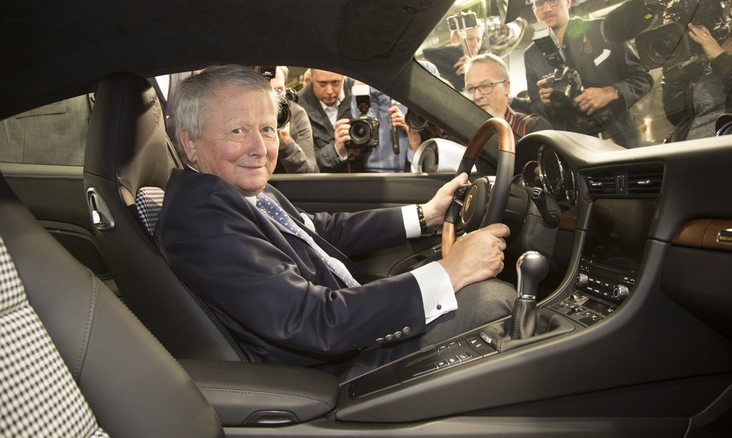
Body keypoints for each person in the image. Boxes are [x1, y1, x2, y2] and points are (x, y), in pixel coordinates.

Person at [155, 65, 516, 381]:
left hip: (348, 335)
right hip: (338, 371)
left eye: (266, 129)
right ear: (190, 142)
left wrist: (426, 215)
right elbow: (314, 322)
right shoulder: (202, 220)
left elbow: (319, 230)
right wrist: (451, 271)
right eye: (237, 131)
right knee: (494, 301)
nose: (260, 149)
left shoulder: (230, 190)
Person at [524, 0, 654, 148]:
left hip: (620, 139)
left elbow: (643, 79)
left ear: (568, 0)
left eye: (552, 0)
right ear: (534, 10)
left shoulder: (603, 30)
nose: (546, 9)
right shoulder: (531, 55)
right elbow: (535, 106)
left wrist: (611, 92)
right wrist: (545, 102)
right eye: (539, 4)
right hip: (573, 146)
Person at [661, 0, 732, 142]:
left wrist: (719, 57)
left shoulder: (714, 47)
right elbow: (677, 116)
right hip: (689, 151)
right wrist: (673, 66)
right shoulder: (716, 38)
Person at [465, 54, 552, 136]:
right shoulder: (463, 130)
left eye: (485, 86)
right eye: (471, 89)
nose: (477, 96)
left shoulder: (532, 127)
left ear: (506, 87)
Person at [297, 69, 363, 172]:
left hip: (364, 175)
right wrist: (337, 149)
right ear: (311, 78)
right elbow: (306, 164)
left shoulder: (360, 92)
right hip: (322, 180)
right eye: (322, 83)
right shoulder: (298, 106)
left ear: (343, 77)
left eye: (335, 82)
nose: (329, 91)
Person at [268, 66, 319, 173]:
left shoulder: (296, 114)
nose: (273, 98)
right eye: (267, 90)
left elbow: (311, 173)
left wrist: (287, 145)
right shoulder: (241, 115)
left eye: (278, 90)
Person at [356, 88, 411, 172]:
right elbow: (362, 120)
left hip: (411, 162)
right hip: (375, 166)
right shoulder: (370, 86)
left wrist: (409, 125)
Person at [423, 21, 484, 91]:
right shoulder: (431, 64)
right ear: (454, 40)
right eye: (469, 39)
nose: (475, 45)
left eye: (479, 40)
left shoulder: (485, 70)